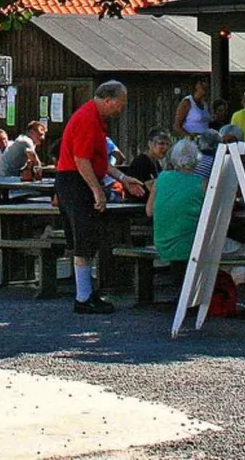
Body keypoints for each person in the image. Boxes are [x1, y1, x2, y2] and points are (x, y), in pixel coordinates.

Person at [56, 80, 145, 314]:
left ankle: (86, 293)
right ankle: (83, 298)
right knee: (83, 239)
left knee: (89, 238)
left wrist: (123, 178)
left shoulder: (96, 118)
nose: (120, 109)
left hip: (77, 179)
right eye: (120, 104)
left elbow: (99, 161)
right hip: (75, 181)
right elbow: (81, 160)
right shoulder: (87, 119)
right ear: (109, 100)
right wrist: (97, 190)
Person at [148, 138, 245, 293]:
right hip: (192, 244)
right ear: (197, 159)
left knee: (220, 250)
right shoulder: (202, 183)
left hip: (163, 242)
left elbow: (149, 211)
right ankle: (241, 290)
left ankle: (220, 290)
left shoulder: (162, 178)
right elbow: (221, 213)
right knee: (244, 252)